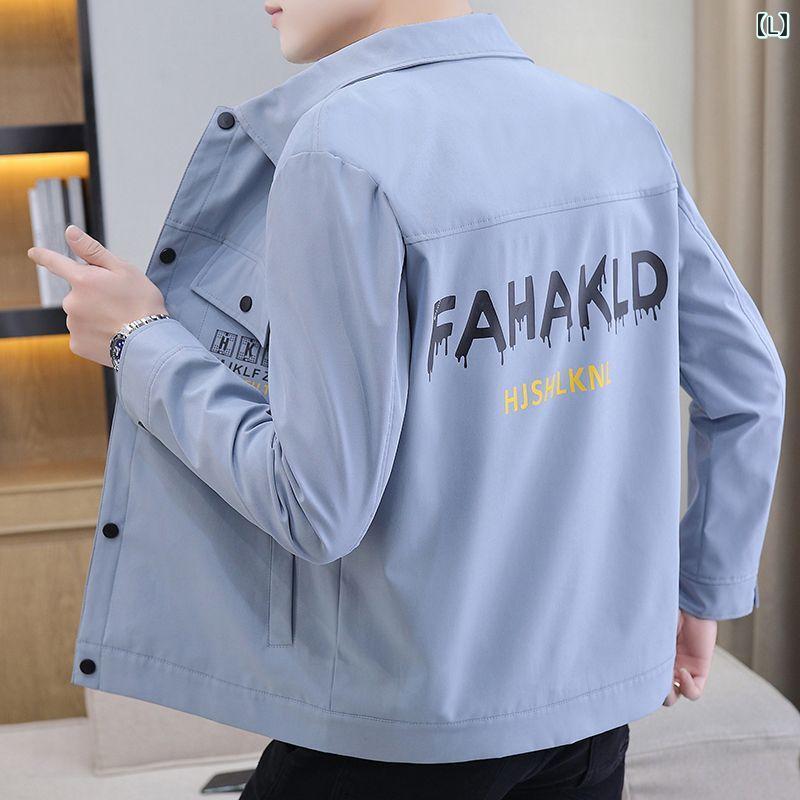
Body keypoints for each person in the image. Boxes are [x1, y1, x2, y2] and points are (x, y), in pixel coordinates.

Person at [29, 1, 786, 798]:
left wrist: (139, 340)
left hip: (404, 735)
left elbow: (314, 504)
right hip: (587, 727)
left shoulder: (339, 152)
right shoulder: (620, 133)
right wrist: (702, 588)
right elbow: (751, 386)